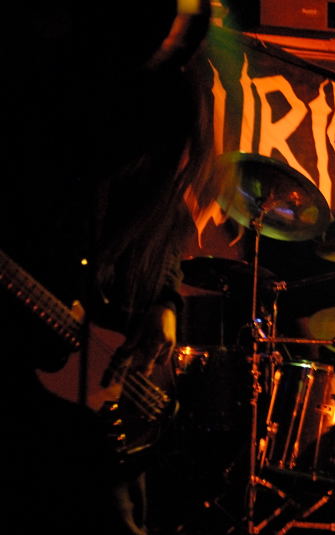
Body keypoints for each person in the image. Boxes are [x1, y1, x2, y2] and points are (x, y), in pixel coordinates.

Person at [1, 3, 222, 534]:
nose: (173, 44)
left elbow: (166, 225)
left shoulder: (171, 101)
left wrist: (165, 303)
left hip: (107, 377)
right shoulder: (48, 97)